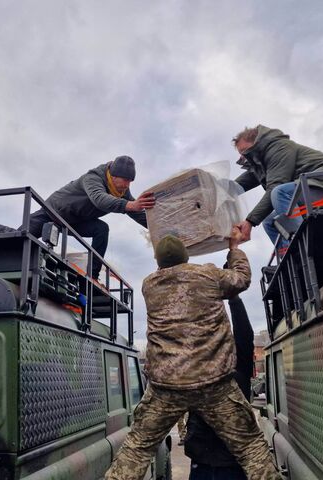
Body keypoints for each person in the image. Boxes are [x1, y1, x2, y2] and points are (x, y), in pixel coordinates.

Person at [104, 232, 280, 480]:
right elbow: (241, 279)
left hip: (167, 387)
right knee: (251, 449)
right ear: (186, 257)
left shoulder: (149, 284)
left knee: (136, 449)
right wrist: (234, 248)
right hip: (214, 385)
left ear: (158, 262)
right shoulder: (208, 274)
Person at [27, 156, 155, 278]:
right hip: (52, 212)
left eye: (130, 181)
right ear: (113, 175)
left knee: (101, 229)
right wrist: (130, 205)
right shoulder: (93, 178)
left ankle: (93, 275)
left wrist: (158, 227)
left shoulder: (122, 191)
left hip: (75, 221)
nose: (127, 185)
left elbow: (137, 213)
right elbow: (99, 199)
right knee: (18, 238)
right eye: (125, 180)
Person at [233, 125, 323, 250]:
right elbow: (237, 185)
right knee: (269, 221)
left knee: (280, 193)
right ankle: (288, 255)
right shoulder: (263, 163)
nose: (244, 158)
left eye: (245, 152)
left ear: (257, 143)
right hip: (314, 187)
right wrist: (217, 190)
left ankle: (303, 247)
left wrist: (250, 221)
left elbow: (275, 185)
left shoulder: (279, 148)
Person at [184, 295, 255, 480]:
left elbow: (244, 335)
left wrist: (234, 298)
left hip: (234, 464)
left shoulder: (239, 369)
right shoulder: (197, 369)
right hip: (201, 463)